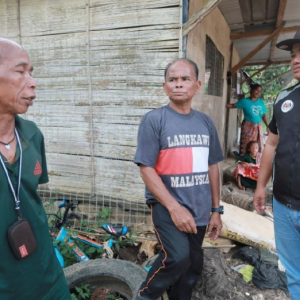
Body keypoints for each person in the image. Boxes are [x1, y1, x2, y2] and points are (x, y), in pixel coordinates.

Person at [134, 58, 224, 300]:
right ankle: (145, 296)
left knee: (192, 266)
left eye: (185, 79)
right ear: (165, 87)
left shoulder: (205, 122)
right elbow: (146, 168)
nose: (178, 84)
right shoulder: (154, 120)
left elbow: (213, 166)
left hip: (200, 207)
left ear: (197, 86)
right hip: (166, 204)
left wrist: (216, 210)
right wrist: (174, 208)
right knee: (176, 257)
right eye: (172, 80)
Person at [0, 38, 71, 299]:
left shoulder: (32, 135)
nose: (32, 81)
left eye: (32, 72)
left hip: (47, 277)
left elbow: (32, 198)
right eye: (21, 71)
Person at [253, 29, 300, 300]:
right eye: (293, 55)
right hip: (283, 206)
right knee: (294, 274)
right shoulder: (284, 99)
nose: (295, 60)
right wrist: (261, 185)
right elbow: (271, 144)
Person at [226, 83, 268, 156]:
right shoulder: (244, 101)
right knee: (247, 143)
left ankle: (255, 159)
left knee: (257, 144)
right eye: (256, 90)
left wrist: (267, 126)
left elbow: (264, 115)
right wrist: (225, 104)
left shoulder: (261, 102)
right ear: (251, 90)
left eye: (259, 91)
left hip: (258, 126)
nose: (258, 93)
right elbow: (232, 106)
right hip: (248, 126)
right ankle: (244, 159)